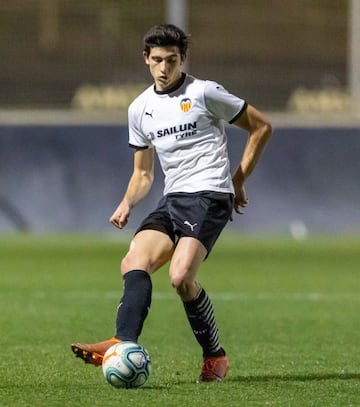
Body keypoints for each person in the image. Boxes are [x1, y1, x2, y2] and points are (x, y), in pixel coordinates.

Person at [71, 23, 272, 382]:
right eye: (158, 60)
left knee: (180, 277)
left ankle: (215, 357)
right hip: (173, 198)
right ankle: (122, 341)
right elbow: (144, 174)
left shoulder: (205, 92)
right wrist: (126, 203)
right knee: (134, 260)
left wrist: (237, 179)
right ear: (146, 59)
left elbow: (262, 127)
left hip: (210, 194)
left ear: (183, 59)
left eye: (173, 60)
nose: (165, 68)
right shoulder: (140, 109)